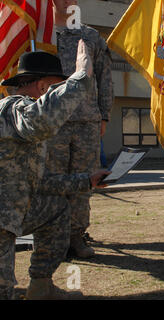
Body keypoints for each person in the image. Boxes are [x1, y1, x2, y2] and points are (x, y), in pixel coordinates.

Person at [0, 43, 110, 300]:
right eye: (55, 87)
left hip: (9, 213)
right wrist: (81, 76)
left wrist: (86, 181)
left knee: (56, 209)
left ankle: (41, 287)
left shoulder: (16, 119)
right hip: (3, 218)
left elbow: (38, 183)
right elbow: (41, 121)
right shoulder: (12, 108)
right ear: (42, 87)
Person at [45, 0, 114, 258]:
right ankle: (53, 238)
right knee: (53, 181)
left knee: (84, 180)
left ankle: (76, 236)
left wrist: (104, 116)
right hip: (50, 121)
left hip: (86, 121)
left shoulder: (90, 36)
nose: (66, 1)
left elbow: (105, 78)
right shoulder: (40, 34)